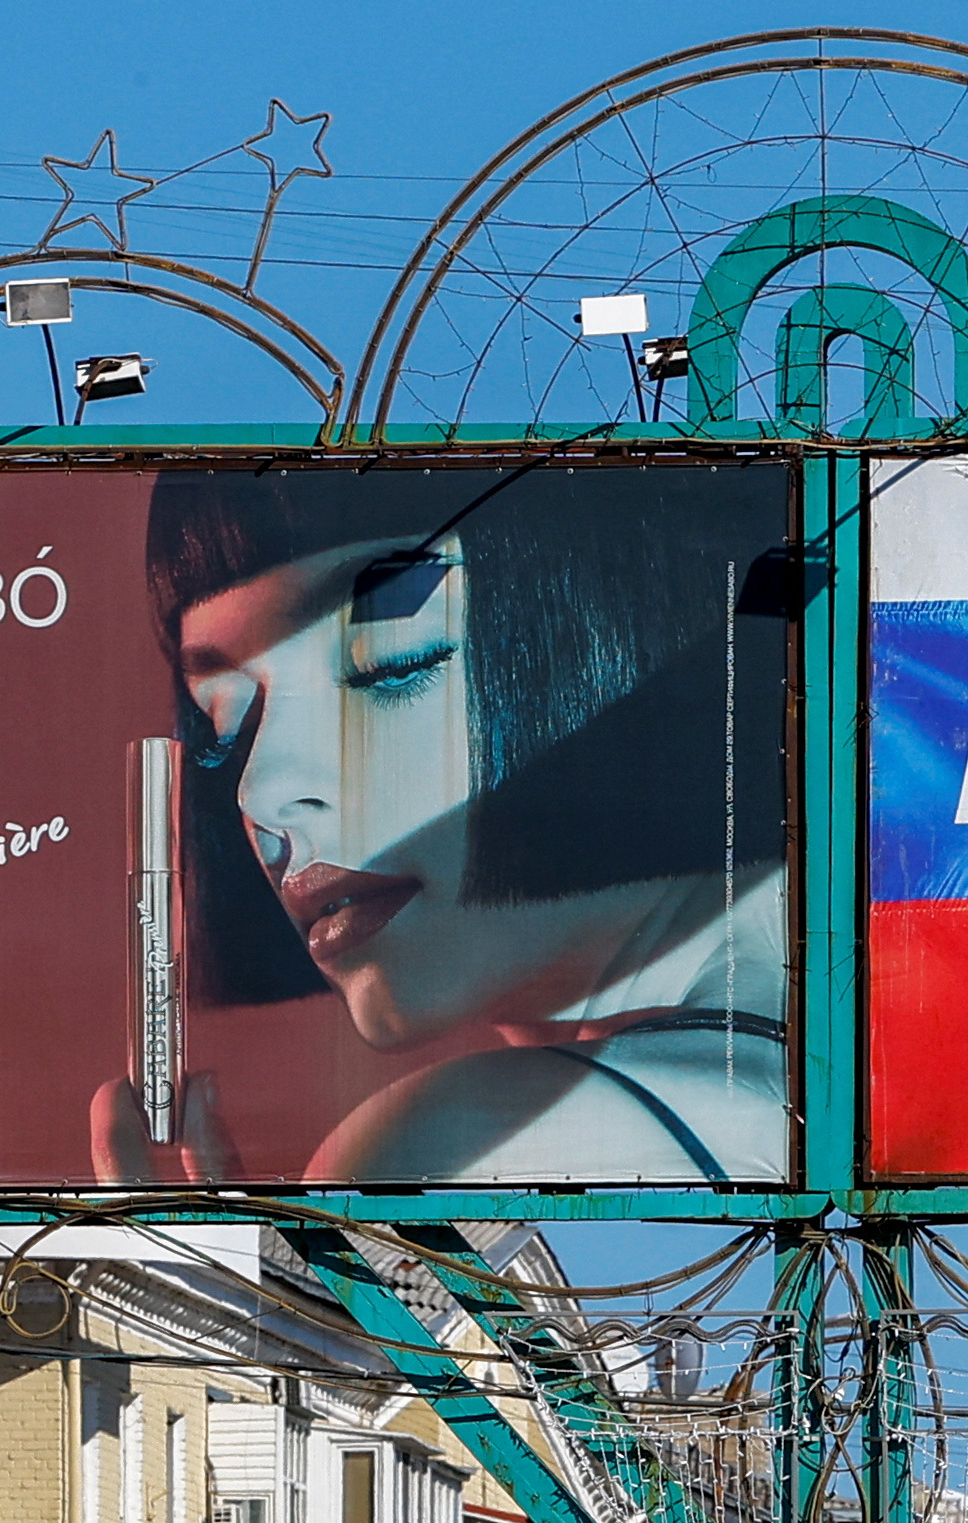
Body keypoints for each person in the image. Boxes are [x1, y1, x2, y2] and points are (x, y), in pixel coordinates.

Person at [125, 465, 798, 1189]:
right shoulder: (809, 1093)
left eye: (391, 659)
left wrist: (206, 1275)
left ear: (638, 614)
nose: (262, 792)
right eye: (227, 720)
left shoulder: (462, 1136)